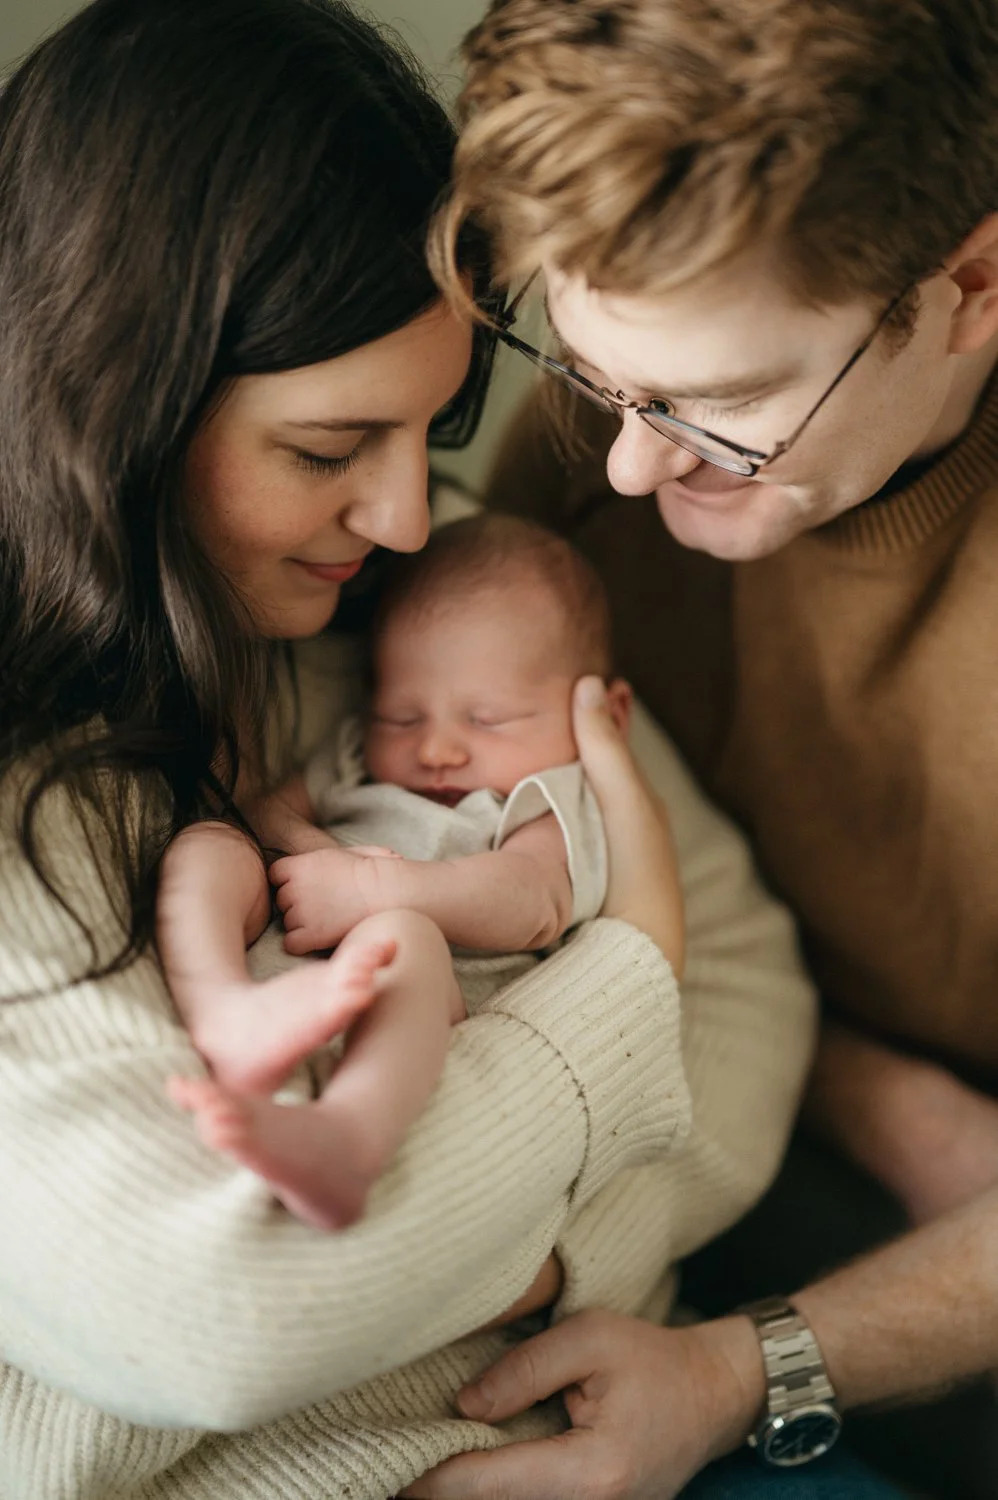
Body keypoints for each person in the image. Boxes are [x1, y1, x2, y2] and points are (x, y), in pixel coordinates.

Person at [0, 2, 817, 1497]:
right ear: (116, 409)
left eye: (430, 434)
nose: (401, 520)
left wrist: (547, 1265)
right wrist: (620, 990)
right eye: (325, 452)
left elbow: (753, 986)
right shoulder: (28, 810)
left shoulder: (436, 618)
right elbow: (218, 1318)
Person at [405, 1, 998, 1497]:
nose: (622, 464)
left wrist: (738, 1374)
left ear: (971, 285)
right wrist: (864, 1088)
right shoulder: (598, 452)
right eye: (598, 374)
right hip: (731, 1103)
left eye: (723, 408)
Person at [161, 515, 674, 1235]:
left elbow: (532, 903)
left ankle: (347, 1138)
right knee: (212, 842)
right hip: (296, 936)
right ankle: (222, 1007)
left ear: (604, 714)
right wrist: (317, 853)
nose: (435, 748)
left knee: (405, 934)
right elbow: (264, 812)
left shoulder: (550, 800)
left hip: (428, 1007)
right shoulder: (354, 758)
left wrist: (378, 893)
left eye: (487, 719)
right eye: (401, 716)